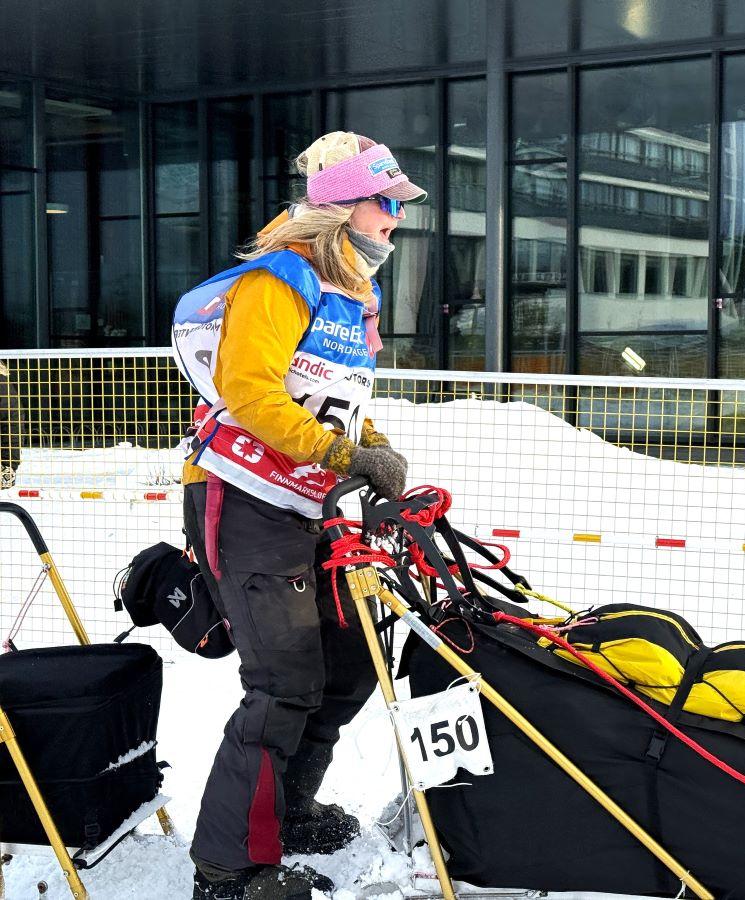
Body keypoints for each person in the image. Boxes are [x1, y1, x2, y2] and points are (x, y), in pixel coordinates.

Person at [170, 132, 426, 900]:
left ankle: (286, 811)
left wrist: (374, 449)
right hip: (241, 495)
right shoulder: (277, 281)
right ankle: (228, 867)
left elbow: (340, 400)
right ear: (342, 207)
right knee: (281, 682)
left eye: (398, 205)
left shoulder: (352, 294)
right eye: (386, 204)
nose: (395, 219)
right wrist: (346, 459)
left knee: (345, 664)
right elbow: (250, 394)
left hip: (301, 502)